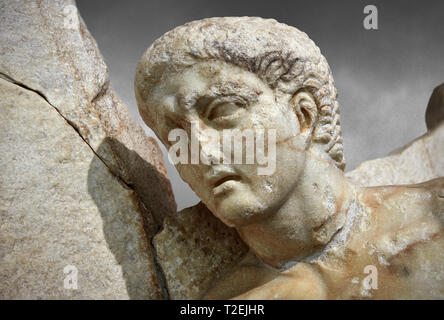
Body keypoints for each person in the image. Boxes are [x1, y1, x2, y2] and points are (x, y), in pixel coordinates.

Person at [135, 17, 444, 299]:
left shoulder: (436, 217)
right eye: (176, 136)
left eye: (223, 112)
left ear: (303, 115)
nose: (201, 152)